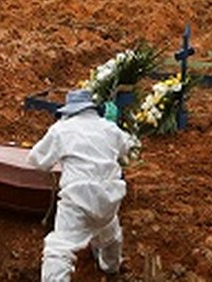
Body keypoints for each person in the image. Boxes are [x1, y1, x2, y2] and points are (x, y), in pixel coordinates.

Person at [28, 89, 131, 281]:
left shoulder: (61, 129)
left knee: (59, 248)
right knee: (110, 234)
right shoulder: (109, 128)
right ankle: (111, 268)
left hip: (78, 198)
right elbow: (127, 146)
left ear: (69, 111)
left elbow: (37, 160)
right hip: (109, 197)